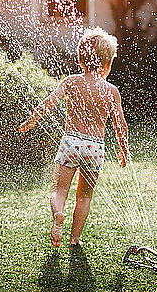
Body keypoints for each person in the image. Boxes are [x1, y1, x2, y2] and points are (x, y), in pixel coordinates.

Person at [19, 27, 129, 247]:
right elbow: (121, 125)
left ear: (81, 60)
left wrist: (32, 120)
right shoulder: (111, 91)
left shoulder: (71, 82)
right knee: (84, 197)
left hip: (72, 142)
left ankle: (59, 214)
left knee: (59, 190)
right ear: (107, 64)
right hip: (95, 148)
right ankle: (75, 238)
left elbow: (49, 103)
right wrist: (123, 151)